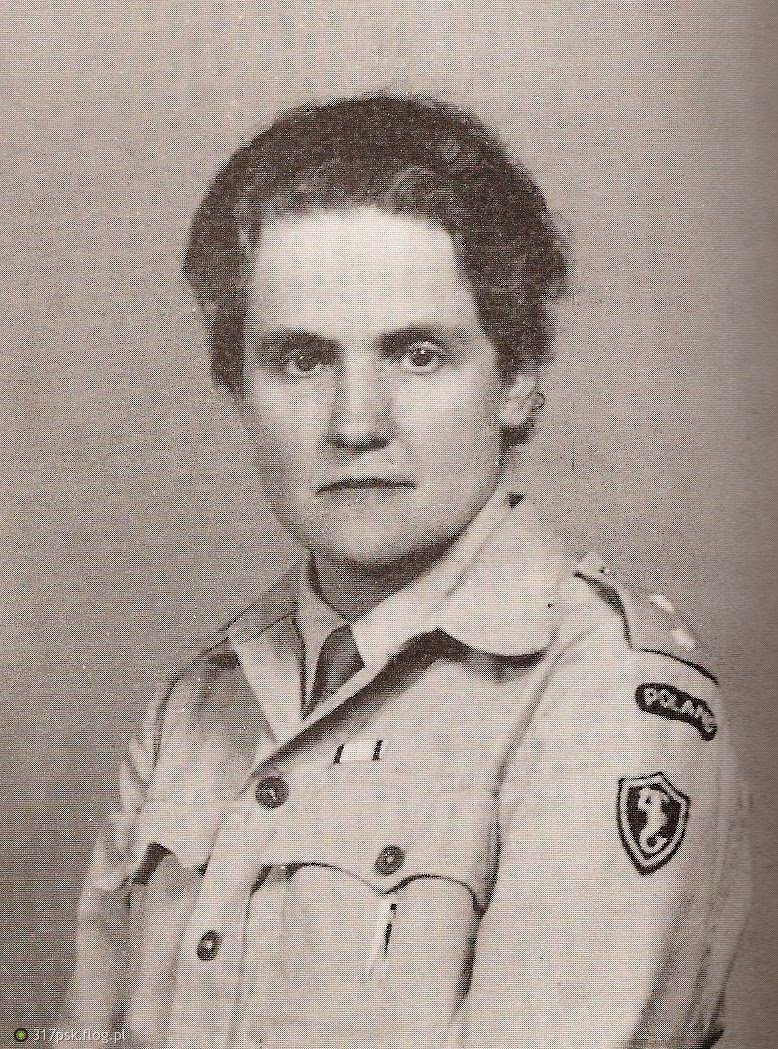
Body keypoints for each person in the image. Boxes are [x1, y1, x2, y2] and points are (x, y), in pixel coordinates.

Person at [66, 94, 750, 1049]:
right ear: (239, 390)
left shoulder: (609, 697)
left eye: (418, 355)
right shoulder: (195, 707)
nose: (356, 421)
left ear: (517, 380)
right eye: (301, 360)